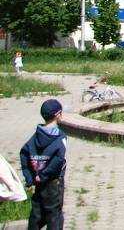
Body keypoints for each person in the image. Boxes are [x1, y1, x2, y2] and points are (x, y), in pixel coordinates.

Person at [20, 99, 67, 230]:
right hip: (53, 182)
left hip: (38, 182)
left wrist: (30, 178)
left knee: (36, 213)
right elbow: (58, 161)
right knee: (54, 214)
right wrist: (44, 175)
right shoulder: (60, 137)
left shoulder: (35, 136)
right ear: (58, 115)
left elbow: (24, 154)